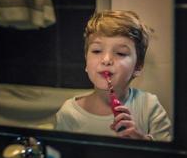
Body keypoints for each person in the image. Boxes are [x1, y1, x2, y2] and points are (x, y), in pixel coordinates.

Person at [55, 10, 172, 141]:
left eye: (121, 53)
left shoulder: (149, 107)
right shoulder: (69, 114)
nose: (106, 59)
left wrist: (141, 141)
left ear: (137, 67)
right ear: (86, 62)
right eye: (97, 51)